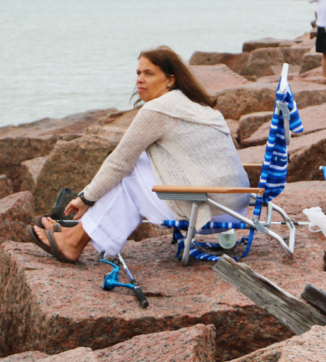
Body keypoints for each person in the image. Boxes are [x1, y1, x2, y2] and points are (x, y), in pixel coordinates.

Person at [28, 47, 250, 263]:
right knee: (138, 164)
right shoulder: (195, 105)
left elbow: (120, 161)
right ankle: (79, 230)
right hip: (234, 207)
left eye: (149, 73)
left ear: (170, 80)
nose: (140, 79)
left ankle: (73, 242)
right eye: (138, 73)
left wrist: (86, 198)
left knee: (129, 172)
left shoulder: (159, 109)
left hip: (206, 209)